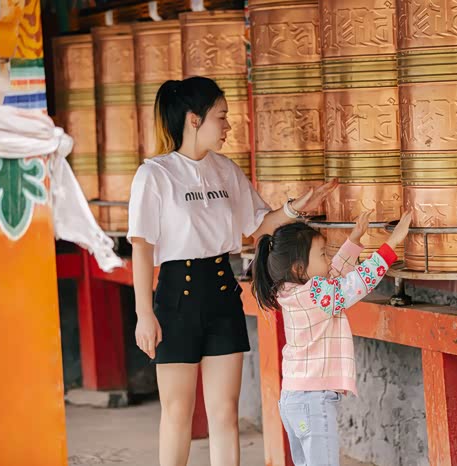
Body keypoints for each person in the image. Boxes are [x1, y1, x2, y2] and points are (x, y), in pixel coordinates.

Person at [127, 76, 338, 466]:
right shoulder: (155, 174)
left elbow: (257, 226)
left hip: (222, 294)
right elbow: (142, 247)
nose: (228, 125)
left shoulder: (225, 170)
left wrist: (296, 208)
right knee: (178, 413)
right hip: (175, 298)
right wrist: (144, 314)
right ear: (194, 119)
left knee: (225, 412)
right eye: (221, 116)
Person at [251, 209, 412, 466]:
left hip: (295, 398)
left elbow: (332, 277)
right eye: (322, 255)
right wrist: (391, 244)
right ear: (299, 268)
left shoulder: (292, 290)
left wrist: (354, 241)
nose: (327, 260)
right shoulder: (315, 294)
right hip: (312, 401)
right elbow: (354, 284)